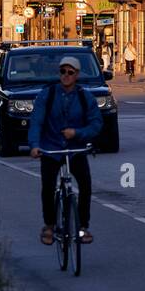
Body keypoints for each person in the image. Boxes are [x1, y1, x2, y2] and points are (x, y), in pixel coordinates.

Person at [30, 55, 103, 247]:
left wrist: (78, 133)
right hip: (51, 148)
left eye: (70, 72)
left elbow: (96, 123)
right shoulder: (48, 94)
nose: (66, 76)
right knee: (47, 186)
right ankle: (49, 225)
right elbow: (36, 121)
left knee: (85, 185)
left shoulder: (84, 96)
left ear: (77, 75)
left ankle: (83, 227)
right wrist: (35, 145)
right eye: (63, 71)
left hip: (75, 149)